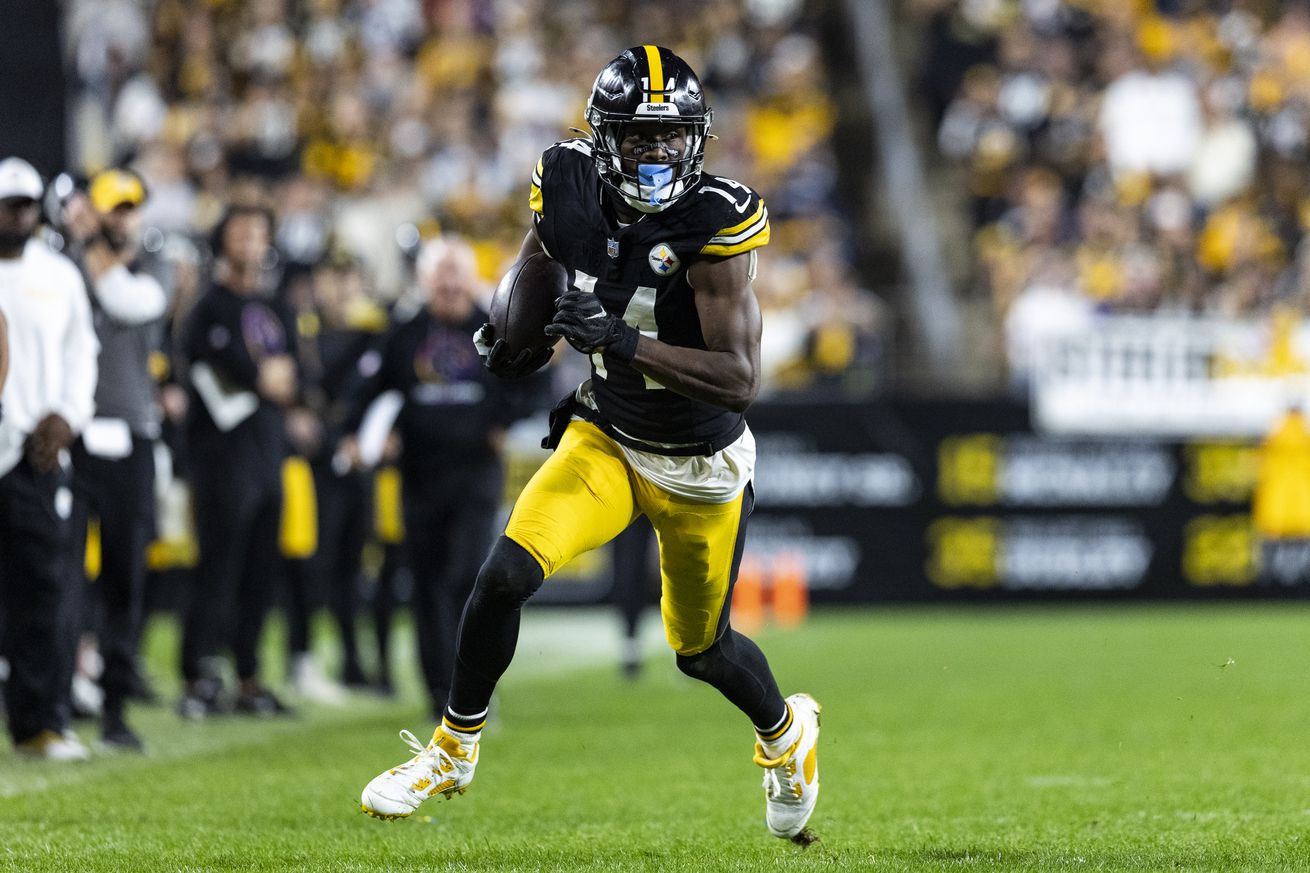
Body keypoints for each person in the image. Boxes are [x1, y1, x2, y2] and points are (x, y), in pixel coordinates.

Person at [360, 46, 822, 842]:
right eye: (638, 138)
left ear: (697, 138)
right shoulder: (568, 179)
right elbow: (541, 258)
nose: (655, 155)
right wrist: (513, 334)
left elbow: (739, 378)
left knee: (702, 650)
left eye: (670, 137)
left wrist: (619, 338)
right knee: (504, 573)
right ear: (603, 138)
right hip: (607, 435)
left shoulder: (716, 217)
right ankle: (452, 748)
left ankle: (787, 736)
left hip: (699, 464)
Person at [341, 236, 537, 718]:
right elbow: (366, 389)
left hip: (474, 472)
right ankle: (437, 690)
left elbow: (533, 378)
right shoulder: (404, 331)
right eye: (441, 274)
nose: (449, 284)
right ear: (426, 280)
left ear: (471, 280)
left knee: (468, 574)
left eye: (457, 273)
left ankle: (470, 684)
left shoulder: (497, 325)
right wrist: (363, 434)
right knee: (427, 579)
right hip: (420, 474)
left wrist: (503, 422)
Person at [59, 168, 169, 750]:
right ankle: (50, 703)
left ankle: (116, 708)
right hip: (70, 433)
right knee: (60, 573)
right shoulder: (66, 259)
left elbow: (129, 301)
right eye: (112, 208)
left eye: (129, 208)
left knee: (124, 579)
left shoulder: (153, 264)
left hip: (131, 436)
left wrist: (85, 242)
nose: (121, 218)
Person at [178, 204, 296, 718]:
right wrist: (262, 379)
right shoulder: (208, 307)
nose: (251, 241)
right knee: (218, 566)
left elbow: (293, 375)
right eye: (240, 232)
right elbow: (222, 372)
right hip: (221, 456)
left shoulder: (274, 306)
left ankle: (249, 676)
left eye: (259, 231)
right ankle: (200, 675)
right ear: (222, 242)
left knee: (259, 570)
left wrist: (273, 381)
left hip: (266, 451)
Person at [0, 157, 100, 760]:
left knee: (44, 590)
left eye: (25, 204)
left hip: (35, 452)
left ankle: (41, 723)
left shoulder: (58, 274)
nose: (16, 214)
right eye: (7, 204)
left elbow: (80, 353)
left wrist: (68, 416)